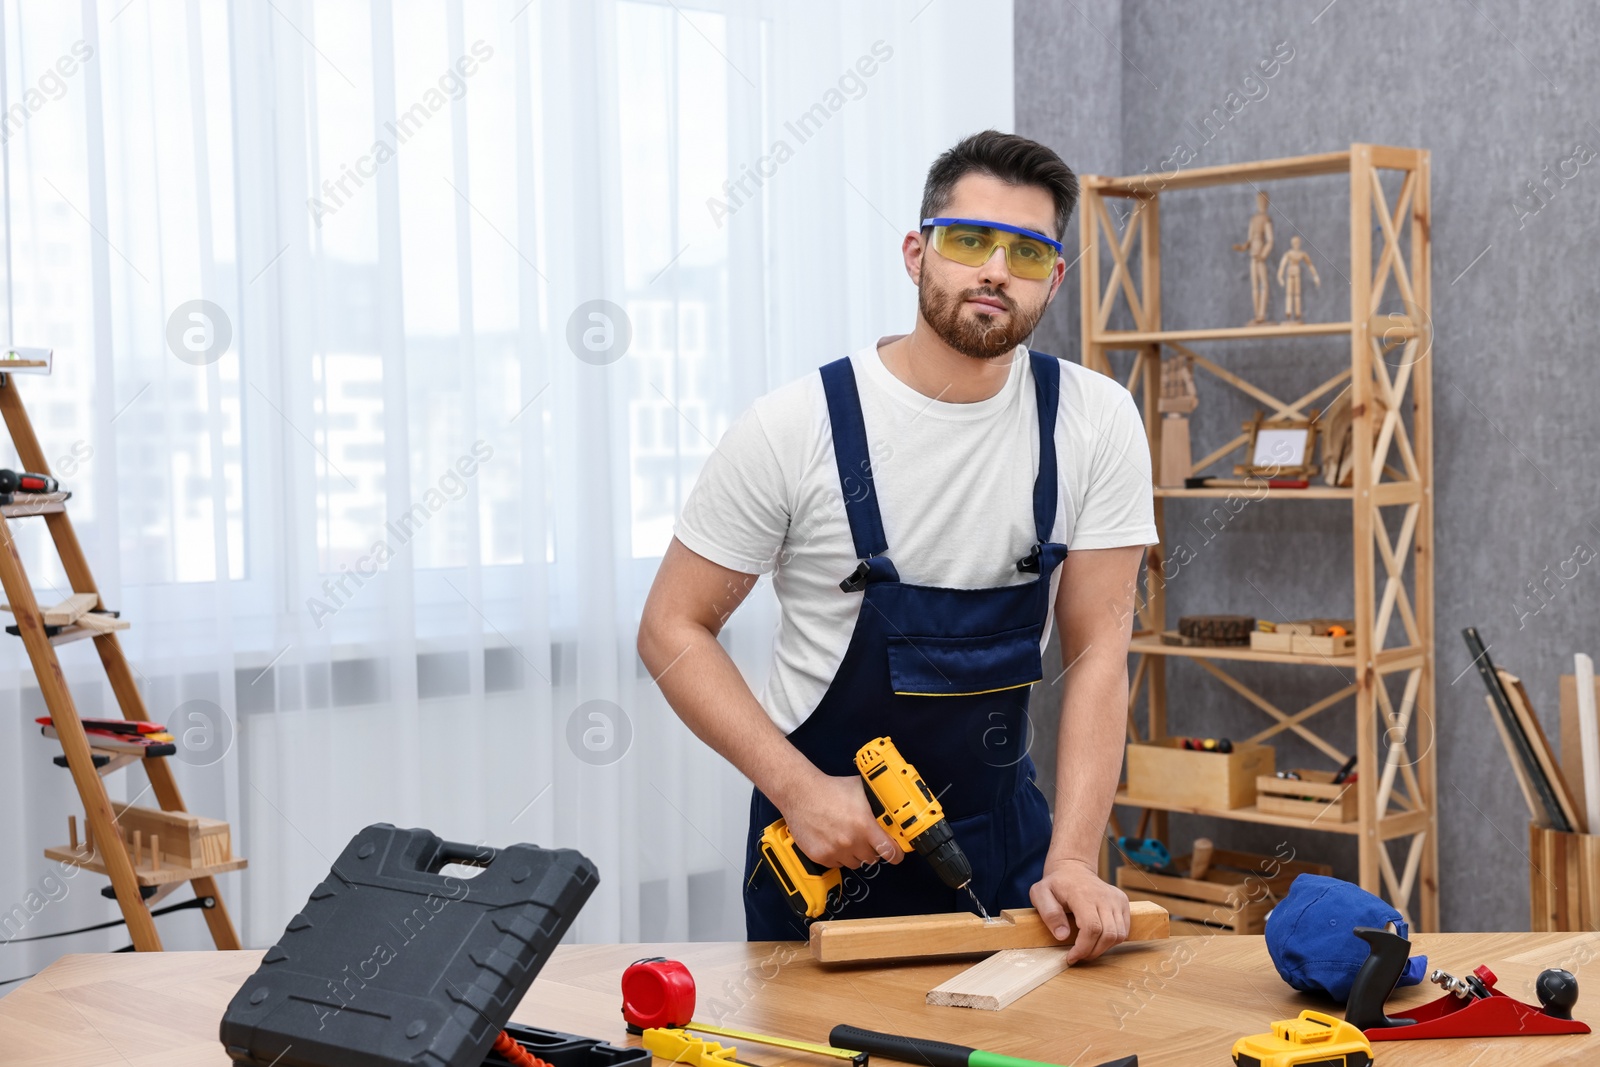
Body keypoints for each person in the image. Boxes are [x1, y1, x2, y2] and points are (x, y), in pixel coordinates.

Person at [637, 130, 1157, 964]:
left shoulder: (1094, 421)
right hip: (822, 856)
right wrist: (798, 790)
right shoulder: (794, 426)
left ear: (1053, 279)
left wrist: (1073, 857)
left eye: (1027, 252)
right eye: (968, 240)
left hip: (1010, 858)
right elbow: (670, 627)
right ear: (917, 253)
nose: (995, 269)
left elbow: (1099, 650)